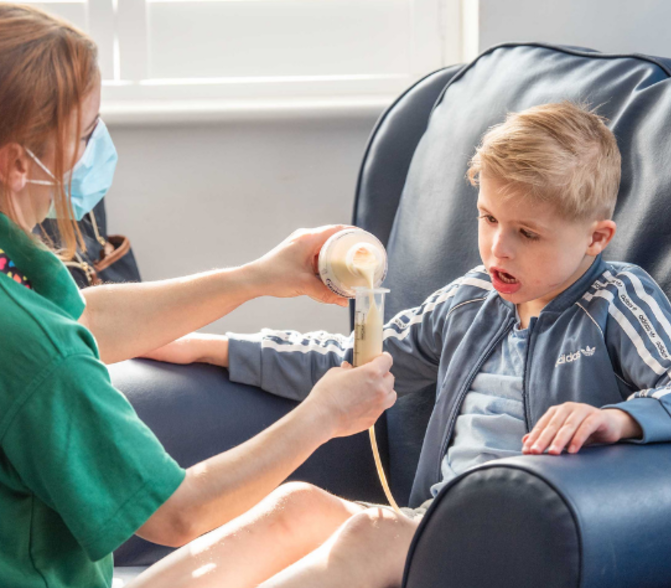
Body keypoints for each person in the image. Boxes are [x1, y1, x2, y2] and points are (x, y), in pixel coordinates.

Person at [142, 101, 671, 587]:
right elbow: (356, 365)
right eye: (488, 219)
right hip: (435, 526)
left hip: (523, 548)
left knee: (366, 536)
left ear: (596, 238)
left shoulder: (615, 298)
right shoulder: (473, 299)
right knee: (295, 505)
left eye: (527, 233)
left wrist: (619, 418)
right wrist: (211, 349)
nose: (498, 250)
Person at [0, 5, 396, 588]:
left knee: (301, 512)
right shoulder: (34, 348)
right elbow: (179, 513)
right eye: (85, 135)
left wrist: (258, 276)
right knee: (362, 545)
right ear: (16, 163)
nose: (94, 151)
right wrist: (324, 414)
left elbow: (82, 319)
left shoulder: (18, 283)